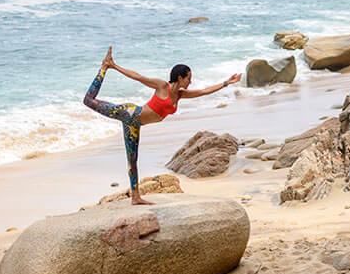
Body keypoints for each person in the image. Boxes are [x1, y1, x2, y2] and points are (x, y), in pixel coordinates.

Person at [82, 47, 241, 205]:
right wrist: (114, 66)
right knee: (88, 101)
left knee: (133, 160)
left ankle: (135, 197)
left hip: (135, 124)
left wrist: (227, 82)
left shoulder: (179, 95)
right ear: (180, 77)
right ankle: (104, 67)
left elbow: (204, 91)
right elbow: (138, 77)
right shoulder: (161, 86)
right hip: (130, 113)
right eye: (188, 78)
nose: (190, 82)